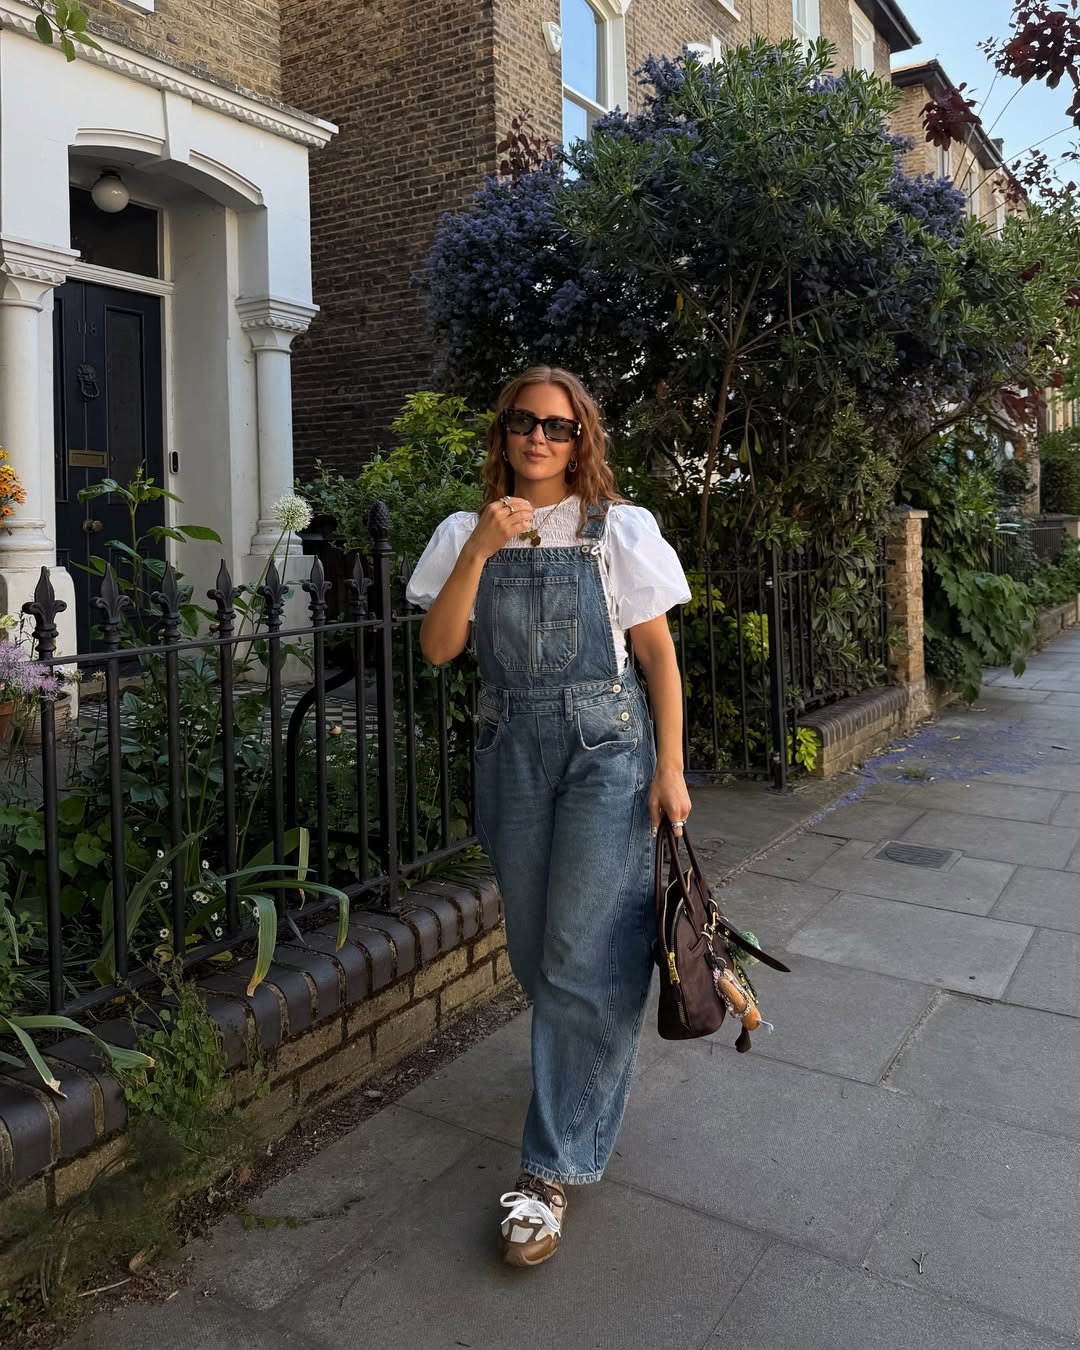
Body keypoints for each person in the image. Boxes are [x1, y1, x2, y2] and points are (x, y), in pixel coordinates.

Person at [406, 366, 692, 1268]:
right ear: (502, 433)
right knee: (537, 952)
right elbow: (440, 649)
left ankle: (549, 1171)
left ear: (581, 440)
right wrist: (481, 549)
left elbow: (658, 657)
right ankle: (584, 1067)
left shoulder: (619, 529)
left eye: (559, 427)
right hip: (511, 752)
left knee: (579, 953)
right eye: (525, 422)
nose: (540, 438)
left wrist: (672, 770)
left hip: (607, 750)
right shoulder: (463, 532)